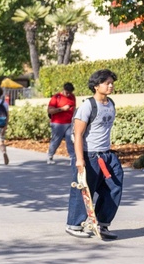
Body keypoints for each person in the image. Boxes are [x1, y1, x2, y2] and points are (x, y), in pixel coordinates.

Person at [66, 69, 124, 240]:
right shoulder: (87, 106)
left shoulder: (111, 104)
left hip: (107, 155)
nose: (111, 85)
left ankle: (102, 223)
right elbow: (77, 135)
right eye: (107, 83)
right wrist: (79, 159)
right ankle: (74, 224)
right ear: (97, 85)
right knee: (84, 190)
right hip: (89, 155)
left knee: (114, 187)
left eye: (112, 82)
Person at [47, 82, 76, 165]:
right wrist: (62, 109)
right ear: (63, 90)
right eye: (67, 92)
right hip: (58, 123)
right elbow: (50, 111)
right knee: (56, 140)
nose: (68, 94)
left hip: (69, 123)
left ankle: (73, 158)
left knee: (70, 140)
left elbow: (73, 108)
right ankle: (50, 156)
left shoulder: (72, 97)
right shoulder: (56, 97)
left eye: (70, 93)